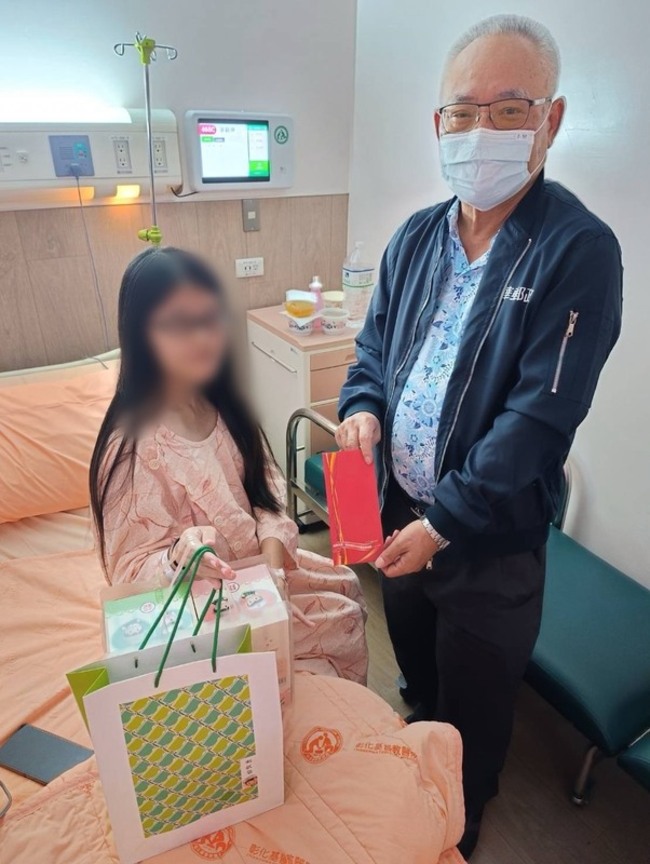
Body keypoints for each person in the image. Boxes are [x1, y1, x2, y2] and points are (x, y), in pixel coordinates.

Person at [336, 14, 622, 859]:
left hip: (487, 540)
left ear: (550, 121)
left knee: (476, 707)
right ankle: (420, 740)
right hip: (400, 514)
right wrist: (362, 408)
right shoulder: (416, 237)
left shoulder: (576, 251)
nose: (480, 130)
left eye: (509, 109)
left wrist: (444, 524)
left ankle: (458, 821)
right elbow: (373, 352)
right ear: (438, 123)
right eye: (463, 111)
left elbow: (538, 421)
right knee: (418, 664)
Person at [90, 246, 367, 684]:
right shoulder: (131, 448)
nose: (201, 337)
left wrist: (272, 573)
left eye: (208, 318)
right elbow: (128, 573)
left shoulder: (224, 407)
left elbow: (267, 489)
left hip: (261, 574)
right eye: (178, 324)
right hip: (197, 606)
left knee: (346, 593)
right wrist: (180, 558)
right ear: (141, 334)